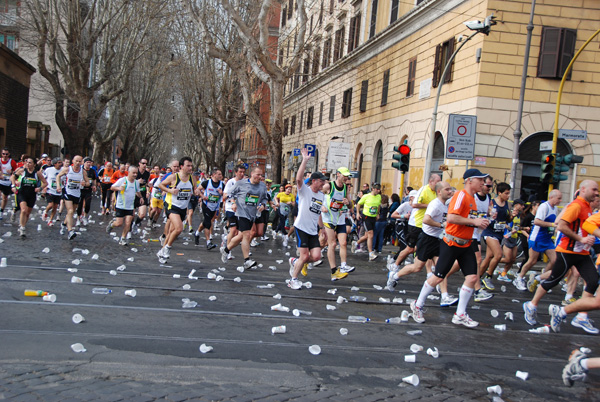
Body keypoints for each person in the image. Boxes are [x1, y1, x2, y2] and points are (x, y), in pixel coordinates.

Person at [410, 169, 490, 327]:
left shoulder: (473, 199)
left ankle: (460, 314)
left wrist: (479, 221)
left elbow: (467, 219)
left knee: (472, 278)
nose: (483, 183)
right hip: (451, 243)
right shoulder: (461, 195)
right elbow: (452, 217)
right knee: (437, 277)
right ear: (469, 181)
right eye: (480, 180)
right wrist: (474, 222)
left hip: (466, 243)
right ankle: (417, 305)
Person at [523, 180, 599, 334]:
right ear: (583, 190)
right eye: (594, 190)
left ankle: (581, 316)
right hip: (567, 251)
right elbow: (561, 225)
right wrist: (581, 239)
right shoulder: (576, 205)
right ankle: (531, 305)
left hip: (582, 253)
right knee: (553, 280)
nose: (597, 193)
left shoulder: (588, 207)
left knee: (592, 281)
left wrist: (587, 240)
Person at [386, 181, 458, 307]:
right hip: (427, 239)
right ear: (439, 192)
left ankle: (445, 296)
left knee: (442, 268)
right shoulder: (435, 204)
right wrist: (441, 225)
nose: (450, 191)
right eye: (447, 189)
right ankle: (395, 275)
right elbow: (426, 220)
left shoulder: (446, 203)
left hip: (438, 240)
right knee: (417, 267)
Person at [287, 148, 327, 289]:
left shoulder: (321, 196)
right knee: (304, 256)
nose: (323, 184)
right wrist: (304, 160)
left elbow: (318, 213)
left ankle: (294, 261)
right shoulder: (305, 191)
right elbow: (298, 179)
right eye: (321, 181)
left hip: (312, 230)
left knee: (316, 256)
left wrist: (322, 228)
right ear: (314, 181)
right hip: (301, 227)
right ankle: (293, 279)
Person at [388, 174, 441, 271]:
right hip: (417, 224)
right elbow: (415, 204)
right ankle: (395, 265)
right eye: (437, 182)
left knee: (428, 249)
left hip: (428, 225)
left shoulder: (436, 193)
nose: (438, 184)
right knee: (410, 249)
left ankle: (431, 273)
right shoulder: (424, 190)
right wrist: (429, 205)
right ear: (431, 182)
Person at [220, 167, 268, 269]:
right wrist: (233, 203)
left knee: (240, 236)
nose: (259, 177)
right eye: (257, 175)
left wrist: (263, 204)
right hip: (241, 212)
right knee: (247, 235)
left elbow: (265, 197)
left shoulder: (262, 186)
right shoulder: (241, 183)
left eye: (261, 175)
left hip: (253, 214)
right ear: (252, 174)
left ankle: (226, 250)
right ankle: (247, 260)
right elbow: (229, 193)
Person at [513, 192, 561, 291]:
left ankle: (542, 279)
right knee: (532, 261)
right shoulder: (544, 207)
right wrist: (552, 225)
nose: (560, 201)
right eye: (559, 198)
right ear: (551, 197)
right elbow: (537, 221)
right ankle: (519, 277)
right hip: (537, 238)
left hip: (547, 239)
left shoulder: (555, 208)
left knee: (555, 260)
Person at [156, 157, 197, 263]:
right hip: (172, 206)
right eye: (188, 165)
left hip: (183, 208)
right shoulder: (174, 177)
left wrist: (198, 193)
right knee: (179, 228)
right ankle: (167, 248)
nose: (190, 168)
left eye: (191, 166)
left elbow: (195, 190)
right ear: (181, 167)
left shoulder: (192, 179)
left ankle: (162, 251)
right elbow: (161, 185)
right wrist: (170, 190)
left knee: (172, 232)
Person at [321, 167, 354, 281]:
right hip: (328, 218)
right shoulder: (329, 186)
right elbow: (316, 196)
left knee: (343, 242)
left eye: (347, 176)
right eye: (344, 175)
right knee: (332, 244)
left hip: (339, 218)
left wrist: (348, 203)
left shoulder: (346, 188)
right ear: (338, 174)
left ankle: (343, 266)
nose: (346, 178)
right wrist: (322, 206)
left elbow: (350, 205)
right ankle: (334, 271)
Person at [480, 182, 512, 290]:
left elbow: (508, 219)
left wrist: (512, 216)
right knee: (498, 255)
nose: (508, 196)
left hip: (499, 233)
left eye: (509, 193)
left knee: (489, 257)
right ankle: (488, 276)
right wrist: (490, 215)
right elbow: (486, 215)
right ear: (499, 193)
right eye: (506, 193)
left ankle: (477, 278)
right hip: (489, 232)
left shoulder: (507, 204)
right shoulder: (492, 203)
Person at [106, 165, 144, 245]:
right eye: (133, 173)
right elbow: (112, 187)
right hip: (120, 205)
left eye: (136, 173)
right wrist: (118, 188)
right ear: (129, 172)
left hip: (130, 206)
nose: (135, 175)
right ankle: (112, 224)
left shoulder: (136, 183)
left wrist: (141, 197)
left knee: (128, 223)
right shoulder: (122, 180)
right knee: (119, 223)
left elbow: (137, 191)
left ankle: (123, 238)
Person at [11, 156, 47, 237]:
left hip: (31, 195)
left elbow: (45, 183)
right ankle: (22, 228)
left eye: (30, 162)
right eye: (27, 162)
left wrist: (40, 188)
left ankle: (22, 225)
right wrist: (13, 186)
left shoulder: (37, 173)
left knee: (27, 213)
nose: (27, 164)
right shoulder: (22, 171)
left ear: (34, 164)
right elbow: (12, 177)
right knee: (23, 210)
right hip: (22, 193)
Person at [56, 155, 90, 240]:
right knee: (70, 211)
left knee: (71, 212)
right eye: (76, 161)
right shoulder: (67, 169)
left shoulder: (83, 172)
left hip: (77, 193)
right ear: (73, 161)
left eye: (79, 161)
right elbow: (58, 176)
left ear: (82, 162)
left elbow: (88, 183)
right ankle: (70, 231)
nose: (78, 163)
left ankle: (64, 224)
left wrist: (85, 184)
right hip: (68, 192)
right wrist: (58, 186)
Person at [472, 176, 494, 302]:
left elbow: (485, 214)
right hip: (469, 234)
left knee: (459, 263)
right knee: (478, 260)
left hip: (477, 233)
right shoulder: (473, 197)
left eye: (491, 186)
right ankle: (477, 290)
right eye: (487, 186)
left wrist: (490, 215)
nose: (489, 188)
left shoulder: (488, 198)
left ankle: (441, 277)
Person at [194, 168, 224, 250]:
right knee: (208, 223)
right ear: (214, 175)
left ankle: (197, 233)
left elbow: (225, 195)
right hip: (206, 205)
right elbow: (197, 190)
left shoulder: (222, 184)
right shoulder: (207, 182)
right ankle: (208, 243)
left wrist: (221, 193)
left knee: (206, 222)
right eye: (219, 174)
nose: (221, 176)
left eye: (221, 174)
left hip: (215, 206)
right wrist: (203, 196)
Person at [496, 199, 526, 280]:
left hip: (514, 238)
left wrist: (524, 228)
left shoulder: (520, 215)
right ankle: (492, 261)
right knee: (507, 259)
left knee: (513, 259)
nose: (523, 207)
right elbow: (504, 223)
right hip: (507, 237)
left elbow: (517, 227)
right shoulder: (510, 213)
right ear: (516, 205)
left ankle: (503, 274)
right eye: (521, 205)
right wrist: (510, 228)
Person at [221, 164, 246, 260]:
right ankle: (228, 252)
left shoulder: (245, 183)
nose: (242, 174)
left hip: (241, 210)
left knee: (240, 233)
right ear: (236, 172)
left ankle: (226, 240)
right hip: (230, 208)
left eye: (243, 172)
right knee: (233, 229)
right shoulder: (230, 182)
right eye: (240, 172)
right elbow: (225, 195)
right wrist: (233, 202)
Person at [352, 183, 382, 261]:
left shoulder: (379, 197)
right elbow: (358, 204)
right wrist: (358, 213)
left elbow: (378, 205)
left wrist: (378, 214)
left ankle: (355, 243)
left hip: (373, 217)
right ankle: (371, 253)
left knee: (367, 236)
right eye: (376, 189)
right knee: (371, 235)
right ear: (373, 189)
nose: (378, 190)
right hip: (366, 217)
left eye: (379, 189)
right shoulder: (366, 196)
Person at [42, 158, 63, 226]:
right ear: (55, 164)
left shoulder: (63, 170)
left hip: (58, 191)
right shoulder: (49, 170)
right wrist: (44, 187)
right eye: (59, 162)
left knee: (55, 206)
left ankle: (50, 220)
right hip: (50, 190)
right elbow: (43, 178)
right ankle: (45, 211)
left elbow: (64, 180)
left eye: (61, 162)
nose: (60, 164)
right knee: (50, 205)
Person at [76, 157, 97, 226]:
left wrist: (94, 185)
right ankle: (78, 218)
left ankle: (84, 217)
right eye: (87, 162)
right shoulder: (80, 170)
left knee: (87, 204)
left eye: (90, 162)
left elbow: (94, 179)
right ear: (84, 163)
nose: (88, 164)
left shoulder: (92, 171)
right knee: (80, 204)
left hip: (88, 190)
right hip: (81, 190)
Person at [132, 158, 151, 233]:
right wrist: (137, 182)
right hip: (133, 195)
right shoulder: (134, 172)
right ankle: (129, 229)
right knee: (131, 216)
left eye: (146, 164)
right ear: (139, 163)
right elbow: (128, 182)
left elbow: (146, 184)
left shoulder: (147, 173)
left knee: (142, 214)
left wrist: (148, 191)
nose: (144, 165)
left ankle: (135, 225)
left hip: (142, 195)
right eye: (143, 163)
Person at [0, 148, 18, 219]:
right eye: (3, 154)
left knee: (4, 198)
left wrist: (11, 172)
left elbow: (17, 172)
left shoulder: (12, 162)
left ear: (9, 154)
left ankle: (1, 211)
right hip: (0, 181)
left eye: (6, 154)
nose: (5, 155)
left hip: (7, 183)